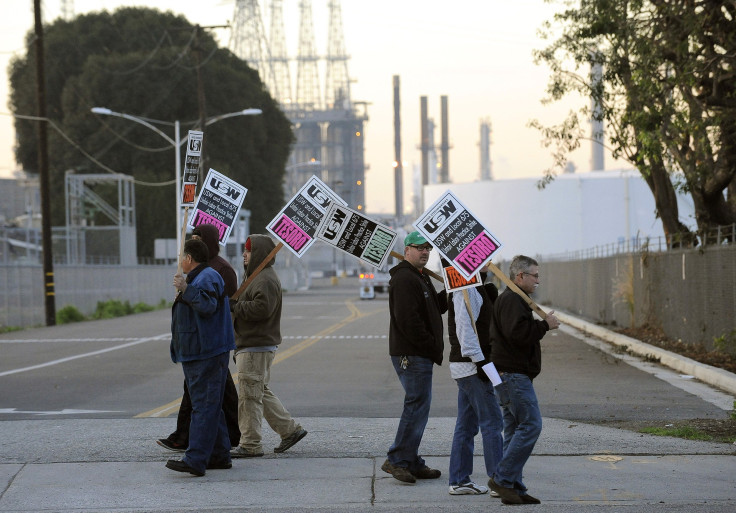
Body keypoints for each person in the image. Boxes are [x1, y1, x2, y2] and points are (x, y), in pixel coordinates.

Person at [157, 224, 241, 452]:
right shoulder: (202, 273)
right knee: (212, 401)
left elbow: (212, 306)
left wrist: (187, 289)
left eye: (199, 238)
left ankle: (195, 453)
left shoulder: (214, 272)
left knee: (205, 403)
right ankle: (220, 449)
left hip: (209, 346)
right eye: (193, 238)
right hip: (204, 347)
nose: (195, 242)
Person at [488, 255, 560, 504]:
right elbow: (517, 335)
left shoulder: (516, 300)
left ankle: (513, 487)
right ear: (520, 276)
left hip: (509, 375)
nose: (538, 280)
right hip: (512, 376)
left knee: (514, 430)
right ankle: (503, 478)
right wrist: (545, 326)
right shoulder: (512, 300)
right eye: (535, 275)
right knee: (531, 426)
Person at [230, 234, 307, 458]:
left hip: (255, 344)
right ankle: (290, 430)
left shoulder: (264, 279)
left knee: (249, 397)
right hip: (255, 344)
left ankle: (251, 444)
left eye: (248, 251)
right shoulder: (256, 276)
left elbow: (261, 309)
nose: (244, 254)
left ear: (260, 254)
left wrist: (235, 306)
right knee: (258, 391)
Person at [381, 231, 448, 484]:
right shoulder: (404, 280)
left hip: (420, 353)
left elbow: (434, 308)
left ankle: (411, 460)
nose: (424, 252)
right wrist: (430, 346)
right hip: (411, 354)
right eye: (419, 247)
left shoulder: (420, 277)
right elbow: (408, 321)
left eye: (427, 248)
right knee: (416, 405)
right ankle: (398, 459)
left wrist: (452, 291)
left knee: (420, 408)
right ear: (407, 250)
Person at [446, 261, 504, 496]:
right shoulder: (466, 289)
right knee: (492, 422)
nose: (490, 262)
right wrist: (480, 361)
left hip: (469, 367)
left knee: (467, 425)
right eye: (484, 258)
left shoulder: (476, 287)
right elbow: (464, 329)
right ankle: (500, 480)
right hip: (471, 367)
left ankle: (459, 479)